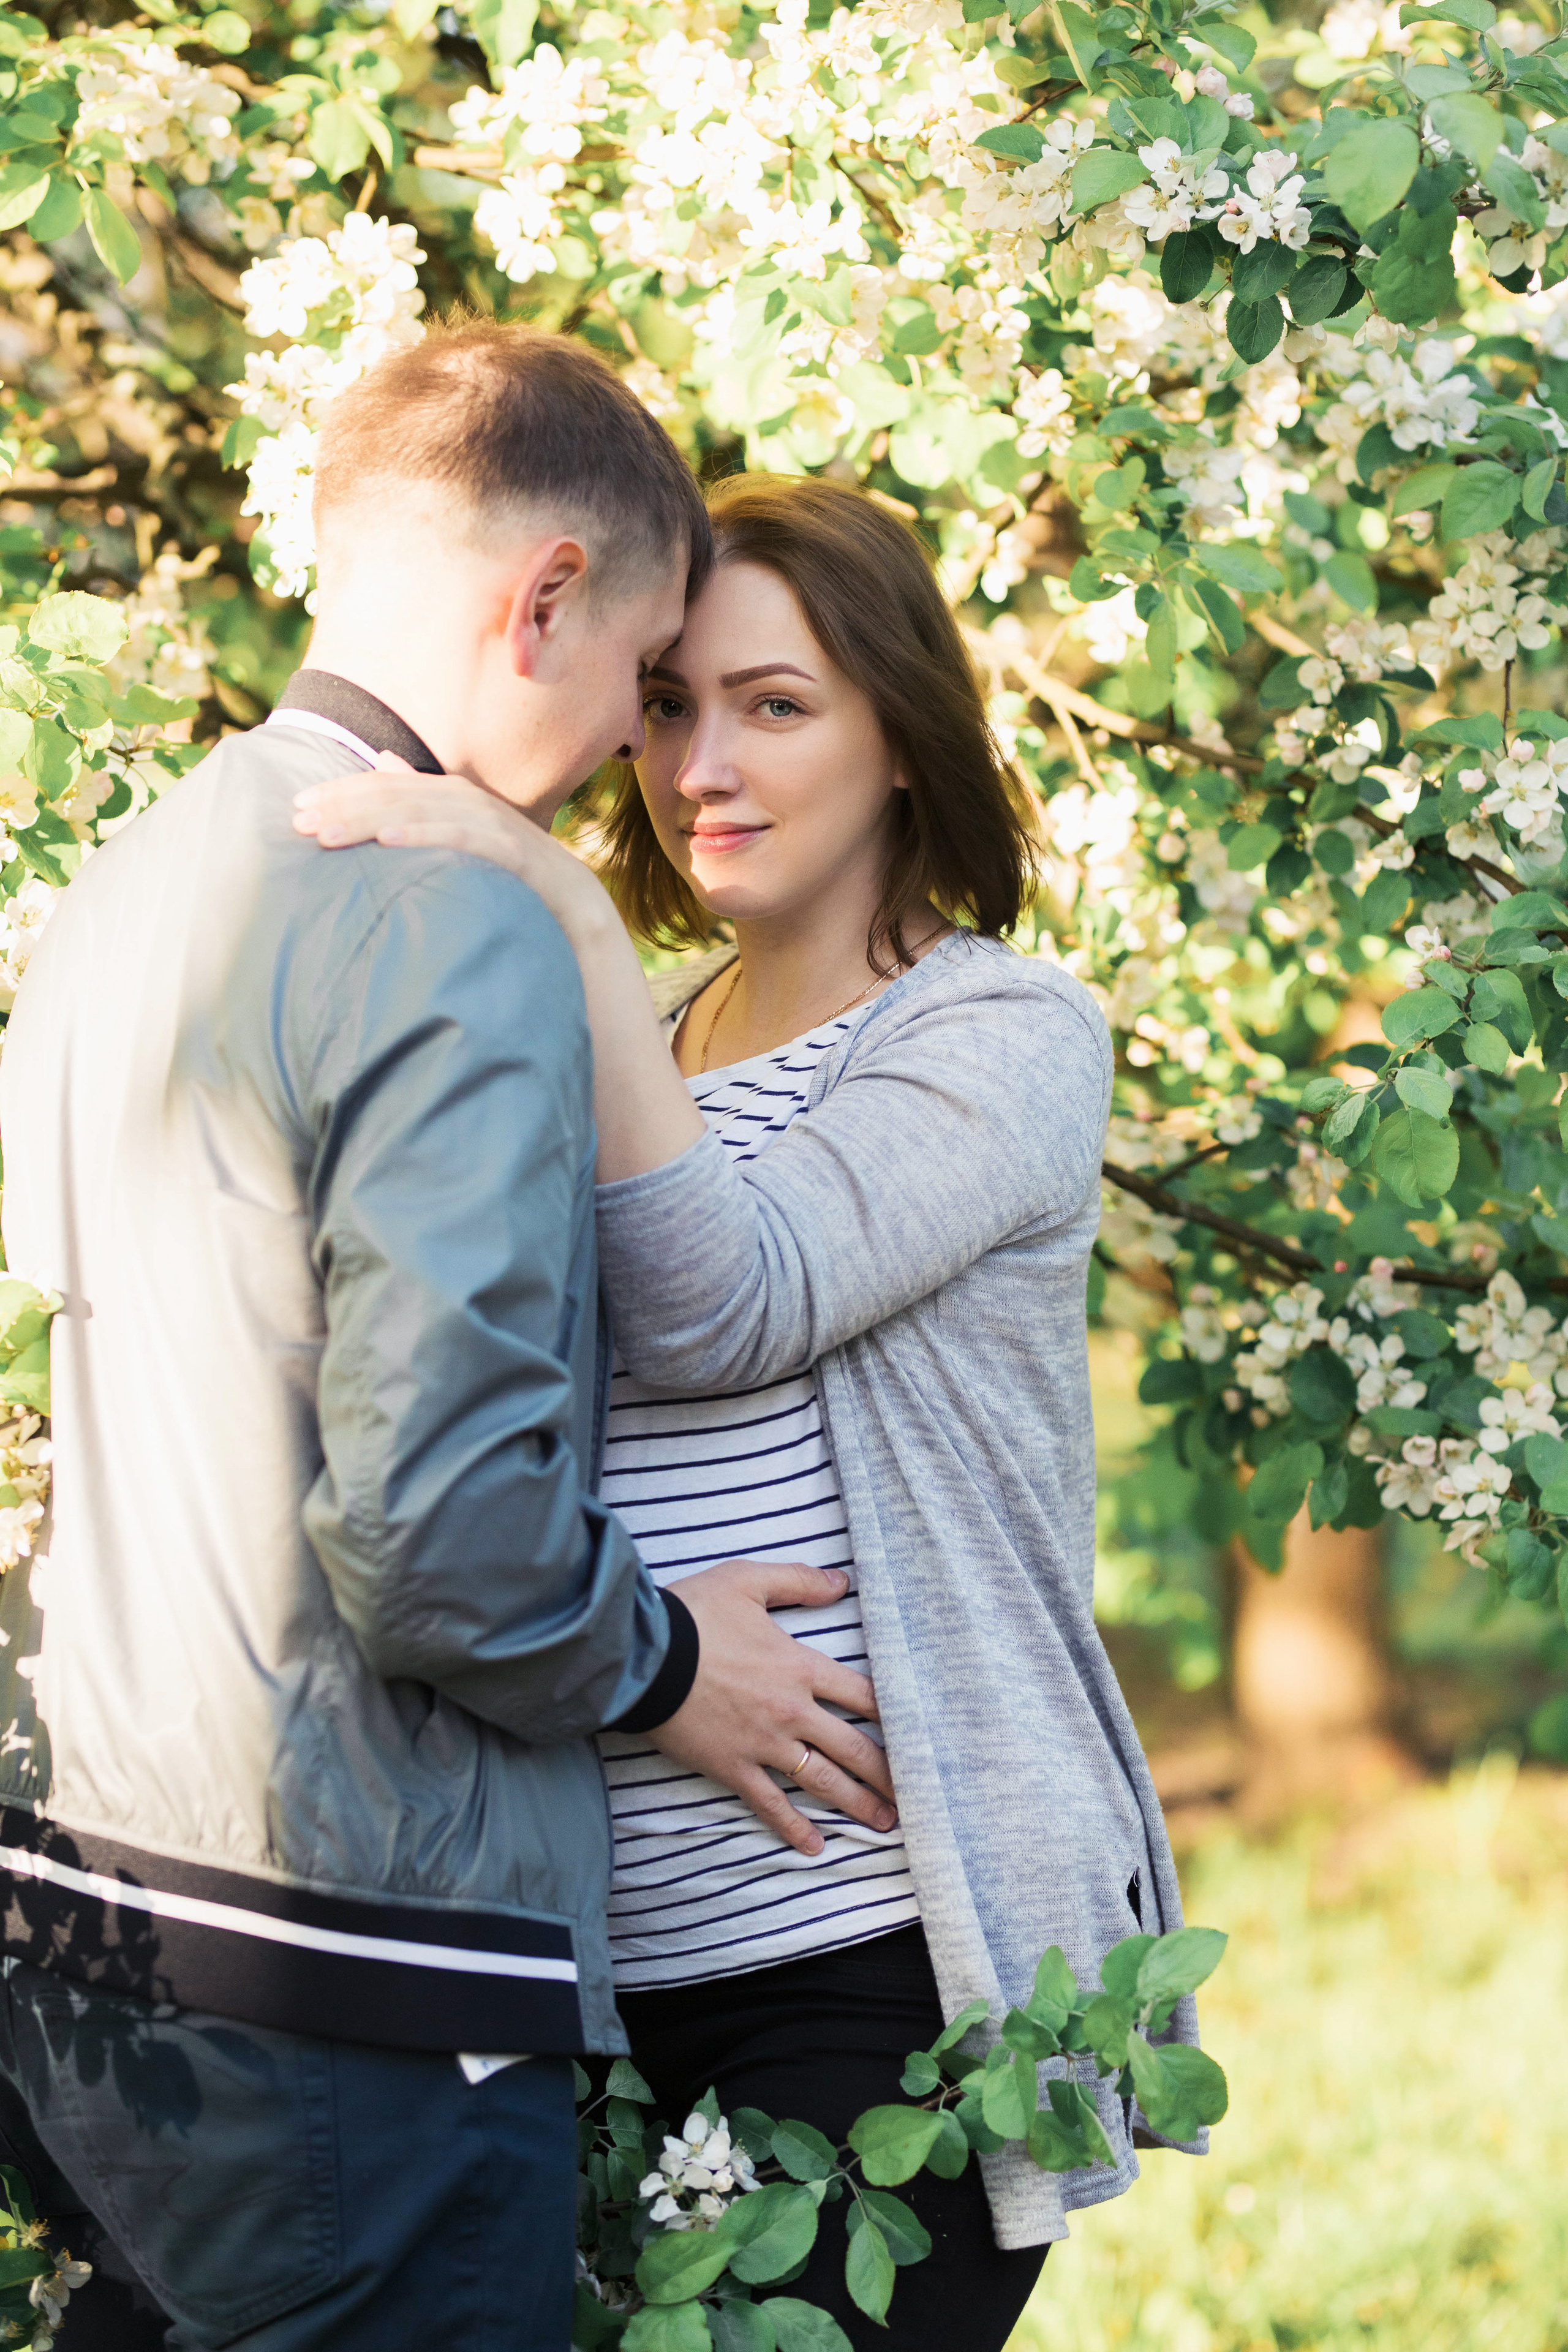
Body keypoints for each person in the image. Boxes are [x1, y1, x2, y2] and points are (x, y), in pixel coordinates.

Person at [0, 331, 899, 2352]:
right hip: (350, 1980)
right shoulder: (449, 907)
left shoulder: (126, 884)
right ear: (547, 596)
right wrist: (669, 1657)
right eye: (644, 678)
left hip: (84, 1946)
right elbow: (437, 1526)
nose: (634, 758)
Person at [294, 472, 1204, 2349]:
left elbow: (728, 1300)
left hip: (884, 1959)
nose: (703, 761)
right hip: (599, 1968)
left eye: (777, 706)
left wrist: (539, 889)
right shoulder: (639, 1024)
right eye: (674, 703)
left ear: (899, 738)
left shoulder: (1000, 1032)